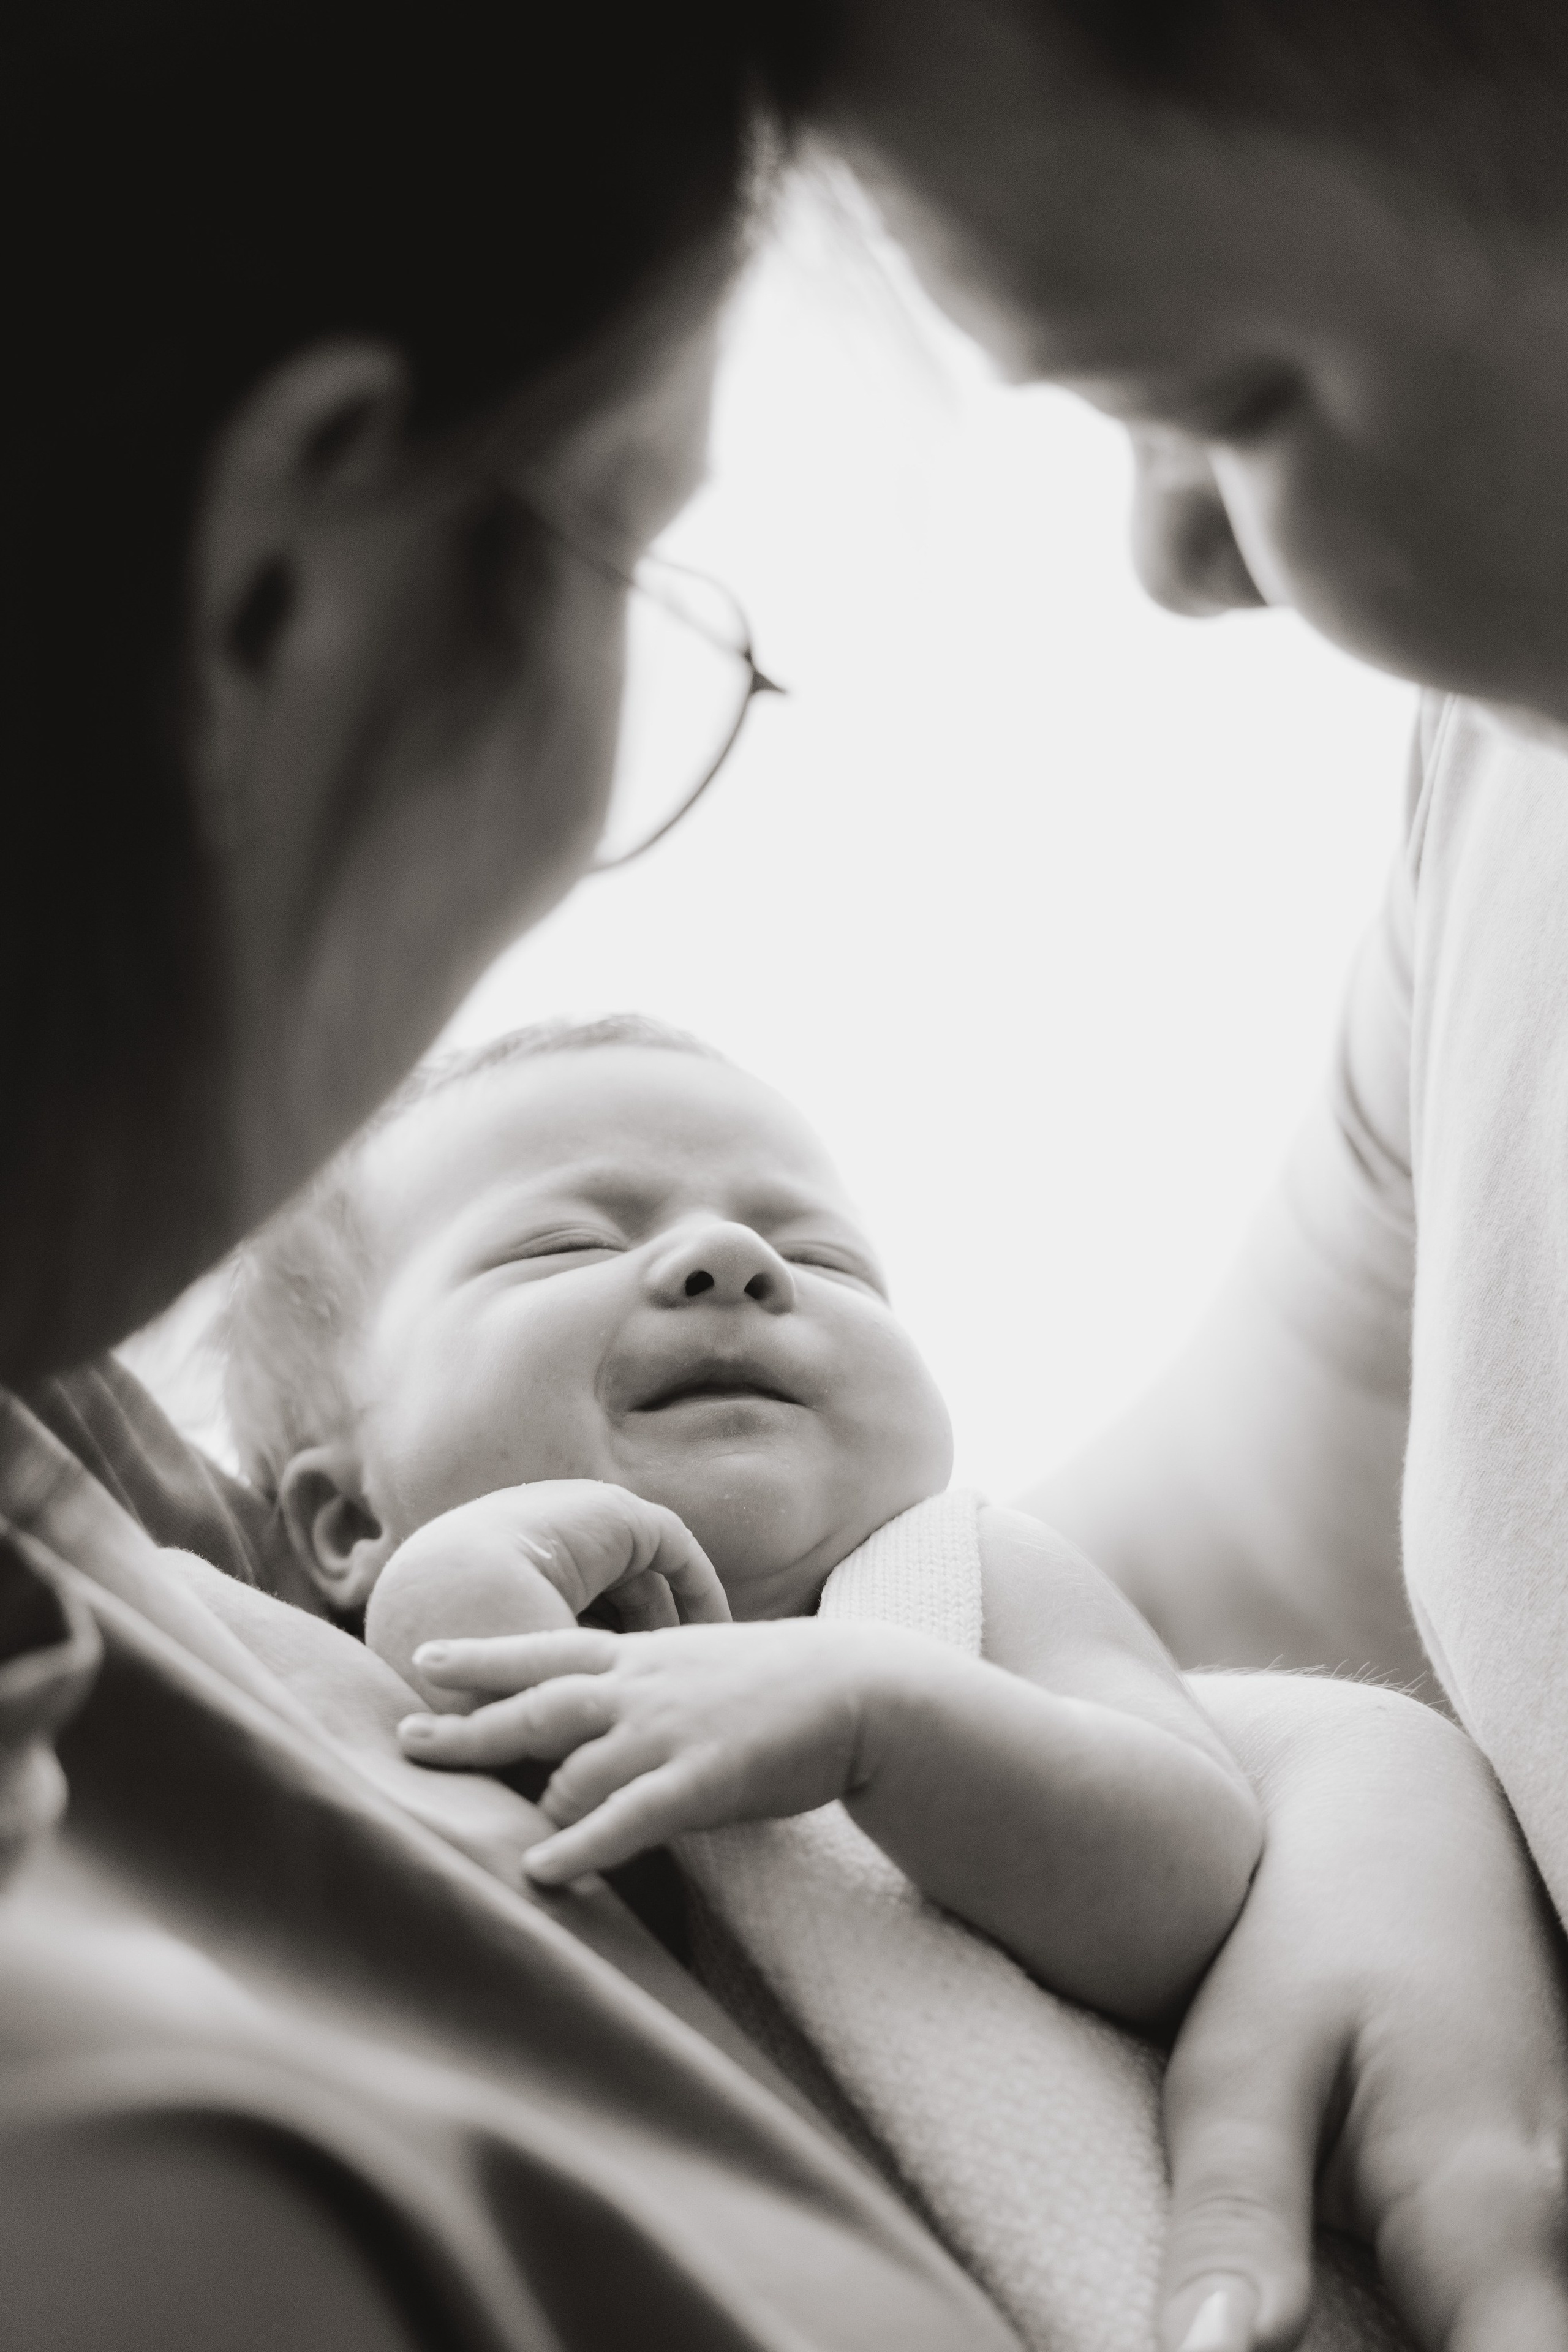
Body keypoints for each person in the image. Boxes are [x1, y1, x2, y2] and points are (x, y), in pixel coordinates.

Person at [1, 2, 1564, 2348]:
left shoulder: (934, 1586)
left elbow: (1171, 1678)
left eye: (814, 1242)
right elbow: (444, 1677)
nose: (726, 1253)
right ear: (279, 586)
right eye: (638, 559)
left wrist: (1362, 1790)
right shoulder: (214, 1680)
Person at [798, 0, 1568, 2342]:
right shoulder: (1507, 804)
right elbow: (1027, 1580)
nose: (1177, 565)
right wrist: (1346, 1793)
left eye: (1217, 405)